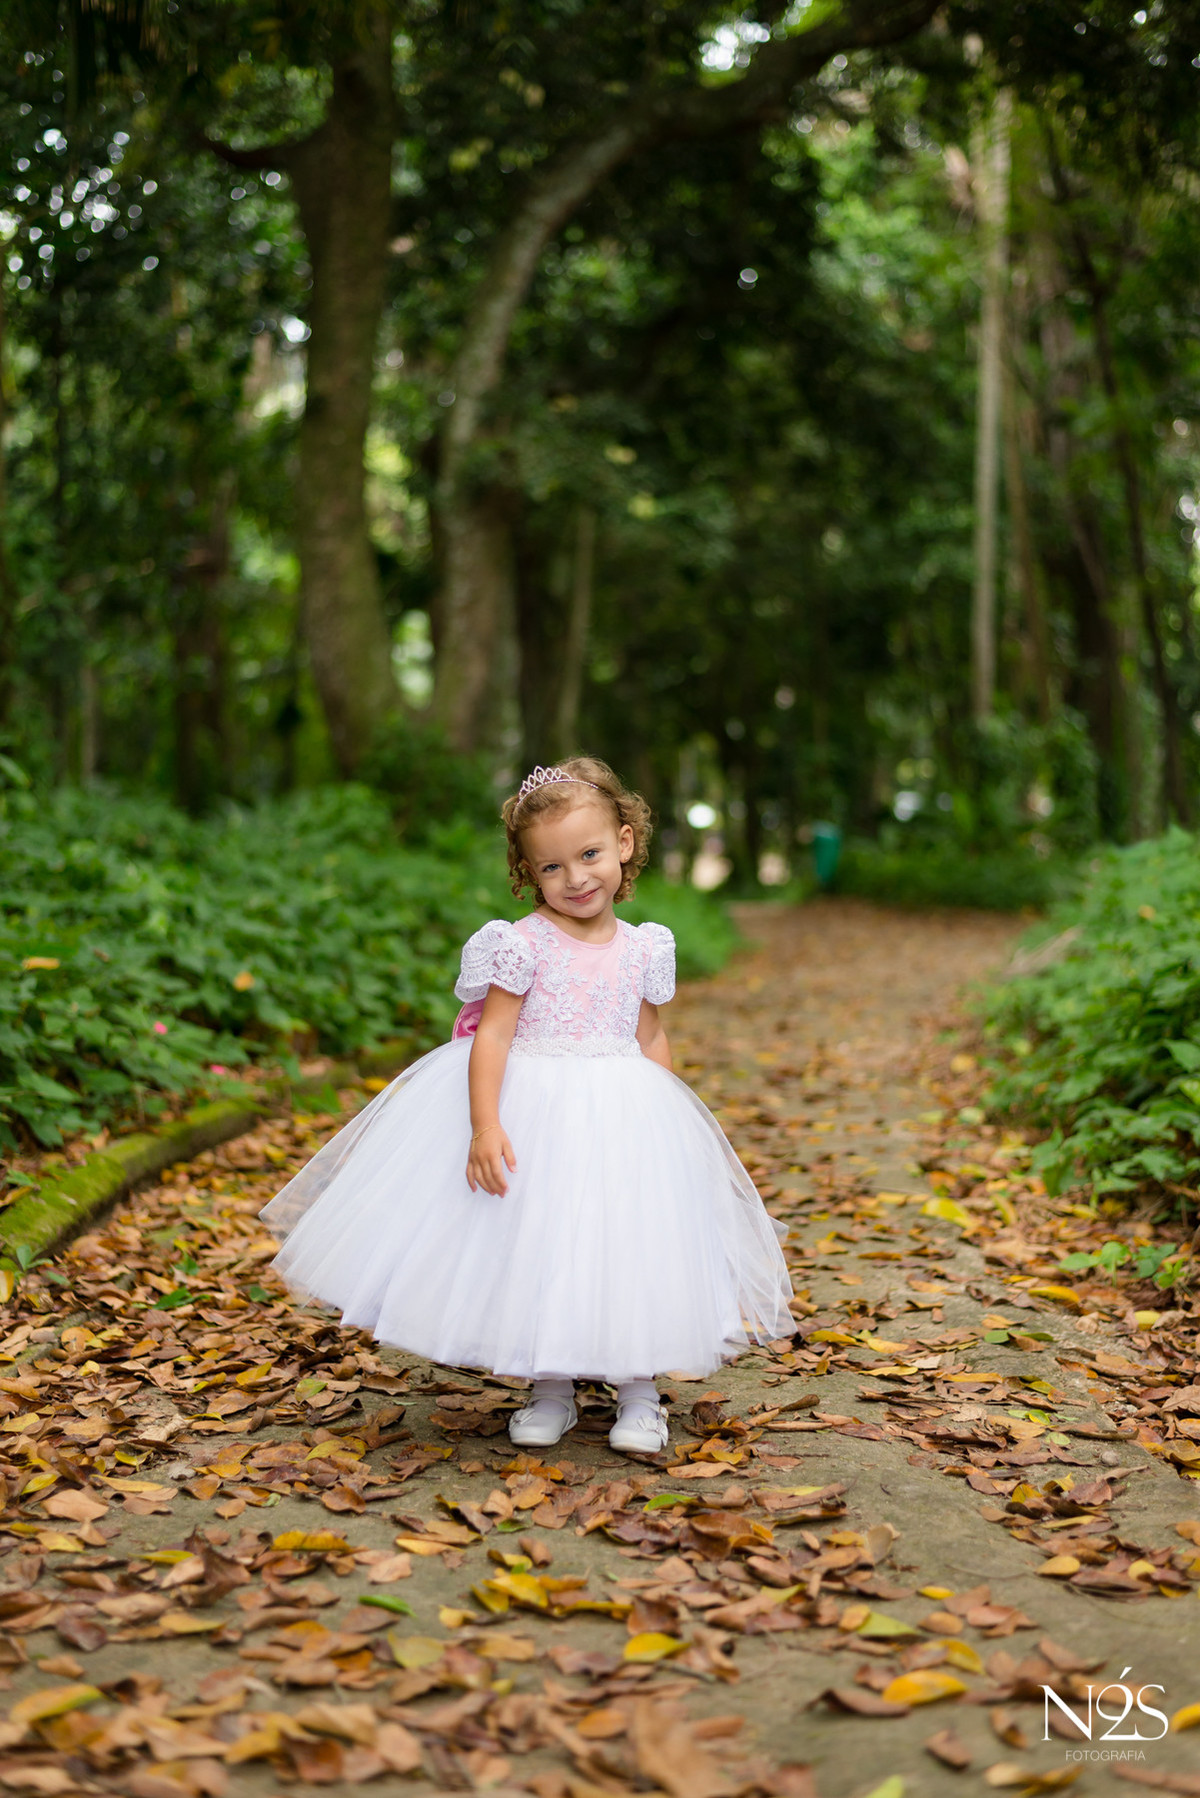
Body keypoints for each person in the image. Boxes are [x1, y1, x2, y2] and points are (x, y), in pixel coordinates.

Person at [261, 756, 793, 1456]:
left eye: (590, 855)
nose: (576, 878)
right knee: (544, 1242)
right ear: (527, 871)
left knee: (623, 1244)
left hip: (621, 1115)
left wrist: (670, 1127)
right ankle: (552, 1387)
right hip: (536, 1113)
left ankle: (638, 1391)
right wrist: (486, 1124)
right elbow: (495, 1036)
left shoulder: (644, 947)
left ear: (625, 843)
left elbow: (650, 1035)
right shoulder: (519, 945)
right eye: (552, 867)